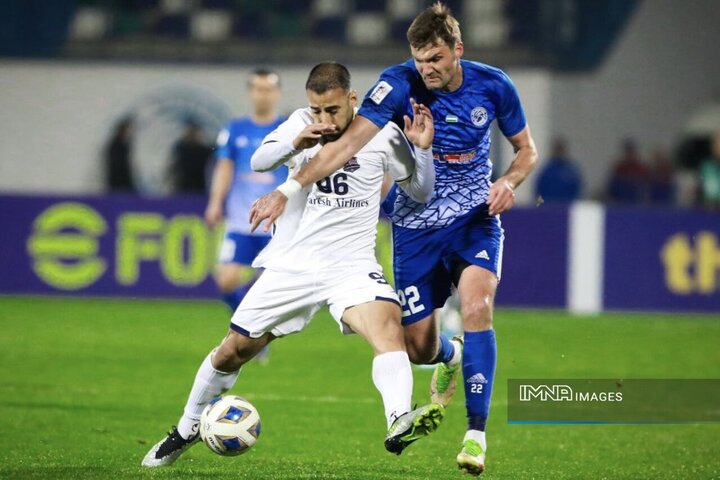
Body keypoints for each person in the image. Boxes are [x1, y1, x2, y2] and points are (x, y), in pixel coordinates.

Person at [248, 3, 538, 475]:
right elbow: (344, 146)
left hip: (473, 220)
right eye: (421, 60)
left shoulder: (495, 84)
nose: (428, 70)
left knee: (478, 307)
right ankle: (450, 354)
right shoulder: (398, 84)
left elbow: (527, 150)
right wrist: (288, 188)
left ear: (457, 50)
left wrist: (509, 182)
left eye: (437, 60)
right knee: (418, 347)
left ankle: (475, 436)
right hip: (415, 230)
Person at [141, 62, 442, 467]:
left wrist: (422, 150)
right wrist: (297, 142)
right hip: (292, 265)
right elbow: (260, 161)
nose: (324, 119)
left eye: (332, 110)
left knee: (387, 326)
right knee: (234, 350)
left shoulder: (383, 133)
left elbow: (420, 192)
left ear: (353, 100)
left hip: (350, 264)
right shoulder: (299, 123)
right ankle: (187, 426)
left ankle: (398, 420)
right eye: (317, 110)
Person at [204, 69, 286, 313]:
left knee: (268, 286)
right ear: (250, 93)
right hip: (241, 220)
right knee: (226, 280)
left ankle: (250, 332)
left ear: (277, 93)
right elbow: (224, 167)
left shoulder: (287, 128)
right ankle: (245, 322)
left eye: (268, 90)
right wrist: (215, 202)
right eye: (259, 89)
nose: (263, 95)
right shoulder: (235, 129)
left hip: (277, 223)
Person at [167, 121, 213, 194]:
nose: (193, 135)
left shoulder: (205, 151)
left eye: (195, 133)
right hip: (182, 188)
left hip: (199, 189)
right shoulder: (181, 149)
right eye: (190, 132)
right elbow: (173, 168)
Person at [534, 137, 582, 203]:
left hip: (566, 207)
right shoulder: (547, 171)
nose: (559, 152)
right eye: (557, 149)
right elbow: (539, 190)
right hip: (549, 206)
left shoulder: (571, 171)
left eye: (561, 149)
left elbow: (577, 190)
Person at [606, 138, 648, 204]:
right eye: (628, 151)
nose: (630, 154)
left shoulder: (640, 168)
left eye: (631, 151)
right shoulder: (620, 168)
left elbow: (645, 185)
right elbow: (612, 186)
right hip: (621, 201)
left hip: (637, 201)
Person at [104, 116, 137, 193]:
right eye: (127, 131)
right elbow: (117, 167)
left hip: (124, 184)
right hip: (117, 185)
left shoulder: (124, 145)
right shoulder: (115, 145)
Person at [699, 131, 720, 210]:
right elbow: (701, 186)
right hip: (709, 208)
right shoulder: (706, 165)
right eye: (716, 144)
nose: (718, 148)